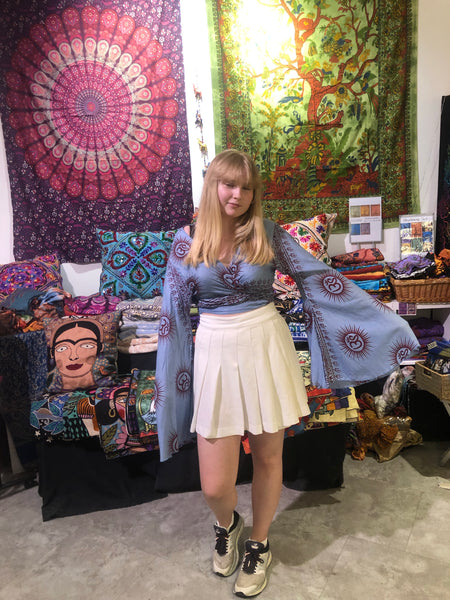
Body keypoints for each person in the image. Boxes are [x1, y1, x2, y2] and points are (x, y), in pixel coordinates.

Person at [155, 149, 419, 598]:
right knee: (214, 485)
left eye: (247, 187)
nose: (237, 194)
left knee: (267, 458)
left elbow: (320, 279)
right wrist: (174, 384)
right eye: (229, 184)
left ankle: (259, 543)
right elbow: (172, 316)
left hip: (265, 346)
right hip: (214, 353)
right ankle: (228, 524)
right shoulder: (186, 242)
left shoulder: (269, 233)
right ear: (213, 185)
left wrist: (386, 324)